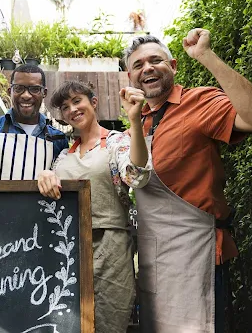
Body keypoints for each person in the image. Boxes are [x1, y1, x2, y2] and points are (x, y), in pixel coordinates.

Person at [124, 29, 252, 333]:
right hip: (155, 263)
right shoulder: (138, 123)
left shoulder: (199, 101)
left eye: (155, 60)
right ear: (130, 78)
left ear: (174, 66)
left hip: (198, 256)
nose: (147, 68)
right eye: (138, 65)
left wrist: (206, 56)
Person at [36, 80, 152, 333]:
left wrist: (135, 122)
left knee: (108, 322)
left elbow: (136, 176)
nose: (72, 110)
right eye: (65, 107)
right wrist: (45, 176)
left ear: (94, 102)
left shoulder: (117, 142)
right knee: (66, 322)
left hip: (110, 247)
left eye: (77, 101)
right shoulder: (63, 156)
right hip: (68, 248)